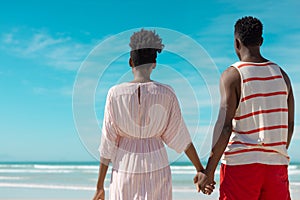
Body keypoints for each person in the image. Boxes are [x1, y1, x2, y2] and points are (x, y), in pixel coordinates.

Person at [92, 29, 210, 200]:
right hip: (157, 164)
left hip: (124, 166)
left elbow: (107, 143)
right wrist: (199, 168)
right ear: (154, 63)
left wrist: (99, 186)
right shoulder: (167, 93)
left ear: (130, 62)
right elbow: (181, 135)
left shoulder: (115, 94)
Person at [201, 16, 295, 199]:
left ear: (236, 42)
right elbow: (289, 125)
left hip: (241, 167)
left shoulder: (233, 75)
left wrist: (209, 171)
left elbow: (225, 126)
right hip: (276, 167)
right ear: (261, 41)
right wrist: (275, 153)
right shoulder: (282, 75)